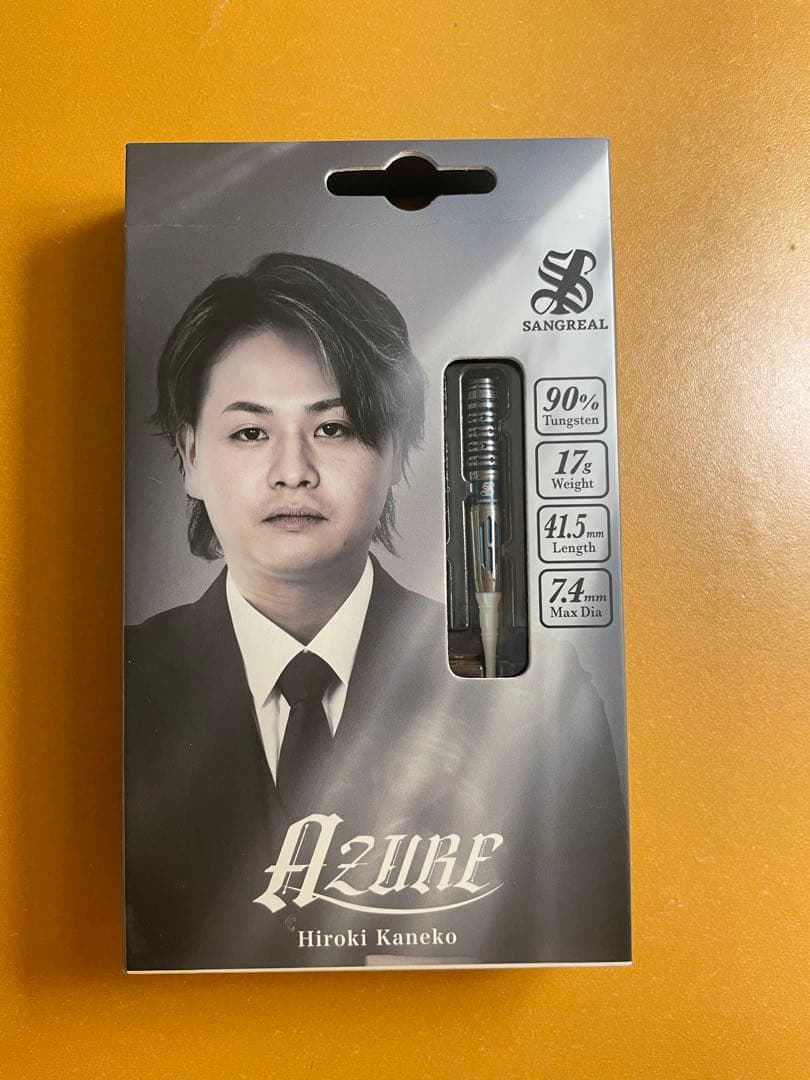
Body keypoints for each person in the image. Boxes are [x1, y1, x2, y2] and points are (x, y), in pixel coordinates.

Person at [125, 252, 630, 971]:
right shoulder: (114, 689)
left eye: (333, 428)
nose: (292, 471)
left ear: (396, 452)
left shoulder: (534, 694)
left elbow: (584, 956)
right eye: (250, 432)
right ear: (189, 457)